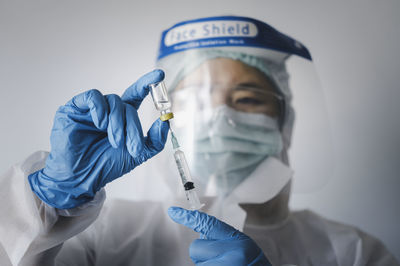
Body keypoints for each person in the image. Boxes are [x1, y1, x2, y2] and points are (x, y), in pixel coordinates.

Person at [0, 15, 398, 266]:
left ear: (284, 121)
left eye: (248, 99)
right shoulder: (104, 236)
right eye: (198, 101)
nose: (222, 116)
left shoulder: (352, 252)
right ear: (170, 115)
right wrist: (51, 198)